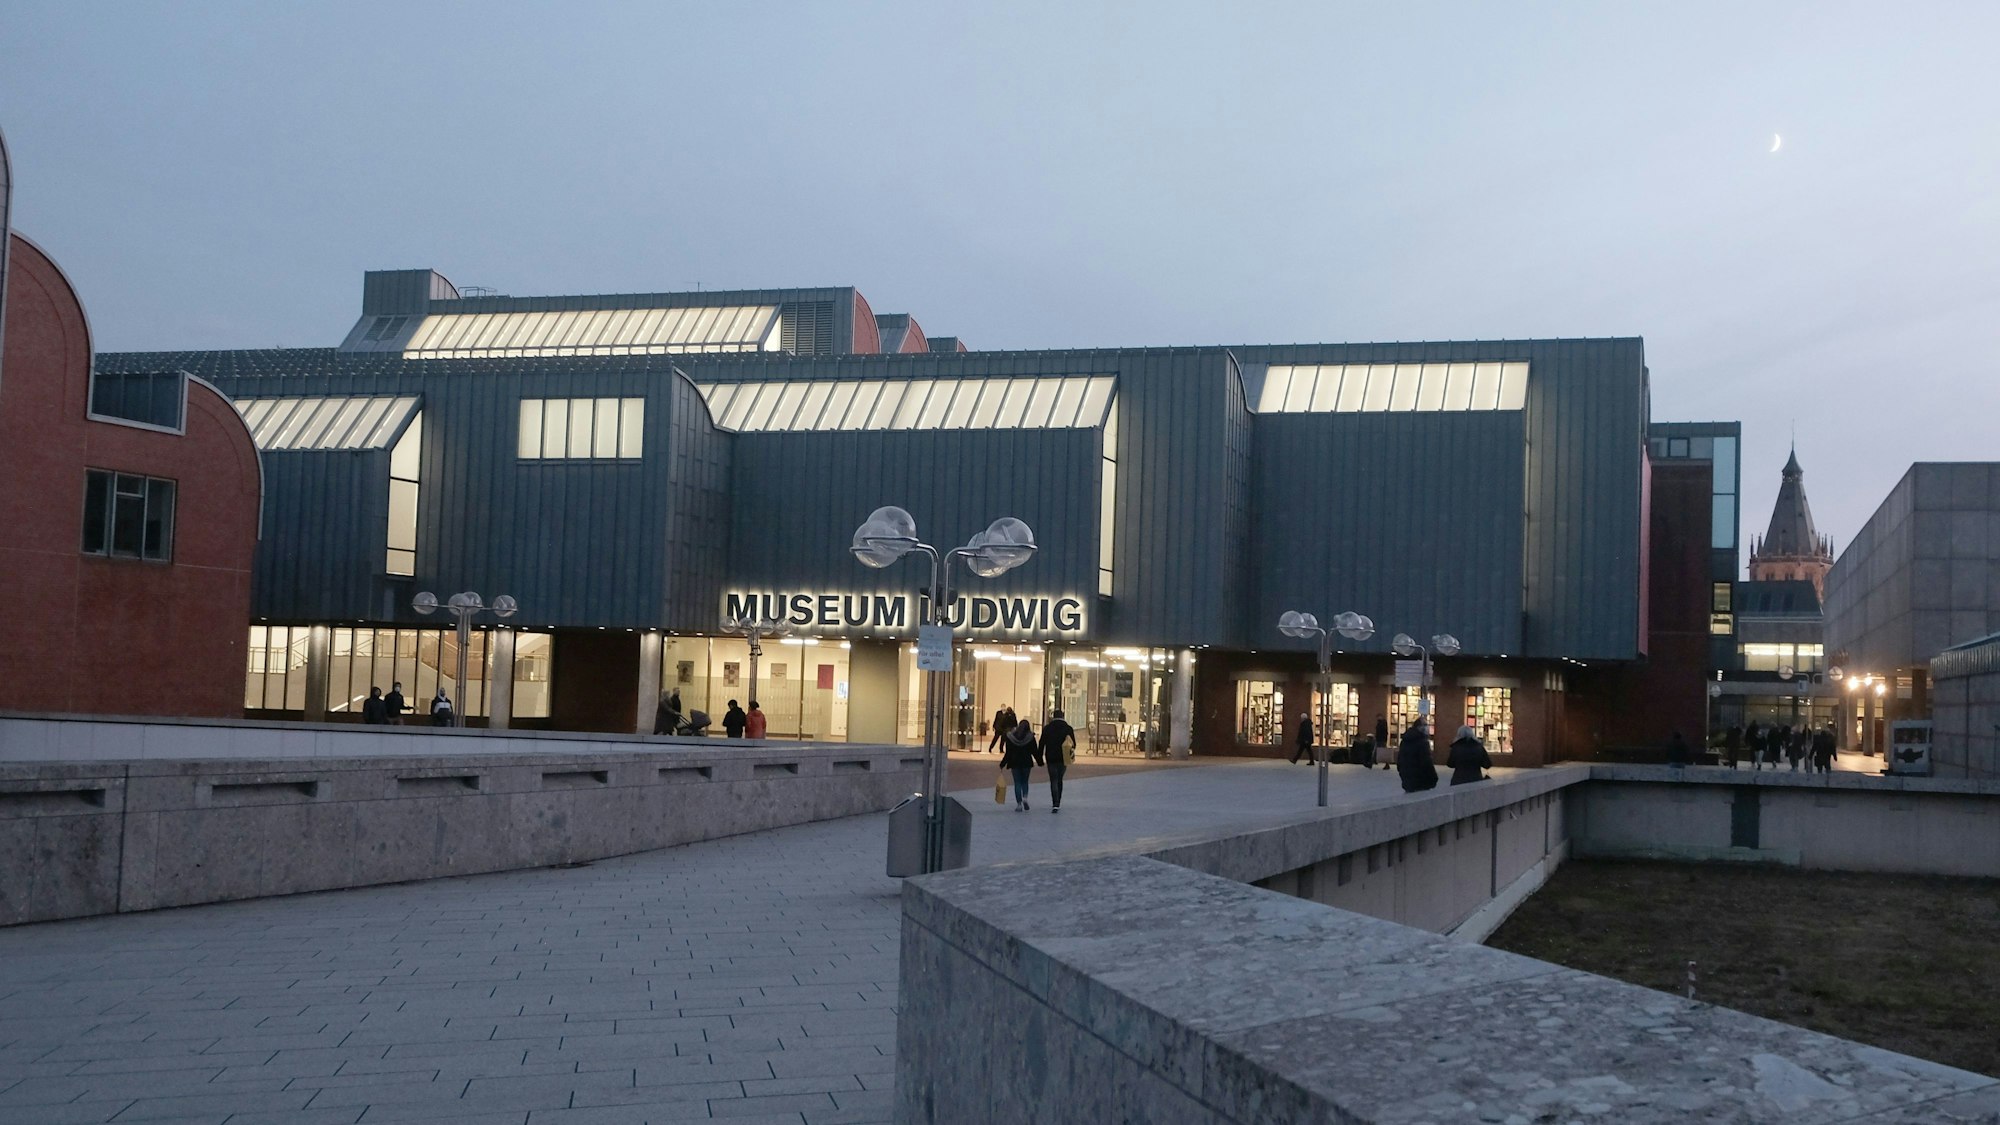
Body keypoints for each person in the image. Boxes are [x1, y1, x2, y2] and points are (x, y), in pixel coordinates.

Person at [1038, 709, 1077, 812]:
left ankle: (1054, 802)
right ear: (1063, 716)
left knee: (1053, 780)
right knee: (1060, 779)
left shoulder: (1047, 728)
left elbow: (1041, 744)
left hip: (1050, 757)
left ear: (1053, 716)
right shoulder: (1068, 729)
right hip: (1063, 757)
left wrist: (1039, 758)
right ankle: (1058, 801)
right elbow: (1073, 744)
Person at [999, 716, 1041, 810]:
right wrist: (1040, 761)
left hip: (1014, 762)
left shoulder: (1011, 737)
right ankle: (1025, 798)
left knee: (1017, 782)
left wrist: (1003, 763)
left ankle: (1019, 804)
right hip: (1026, 762)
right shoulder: (1030, 737)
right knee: (1025, 782)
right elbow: (1034, 751)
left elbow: (1008, 753)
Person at [1397, 719, 1437, 793]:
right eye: (1425, 725)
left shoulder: (1405, 740)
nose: (1427, 727)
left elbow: (1400, 759)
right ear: (1419, 727)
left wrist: (1402, 772)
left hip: (1407, 779)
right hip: (1421, 781)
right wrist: (1433, 778)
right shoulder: (1423, 742)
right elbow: (1427, 762)